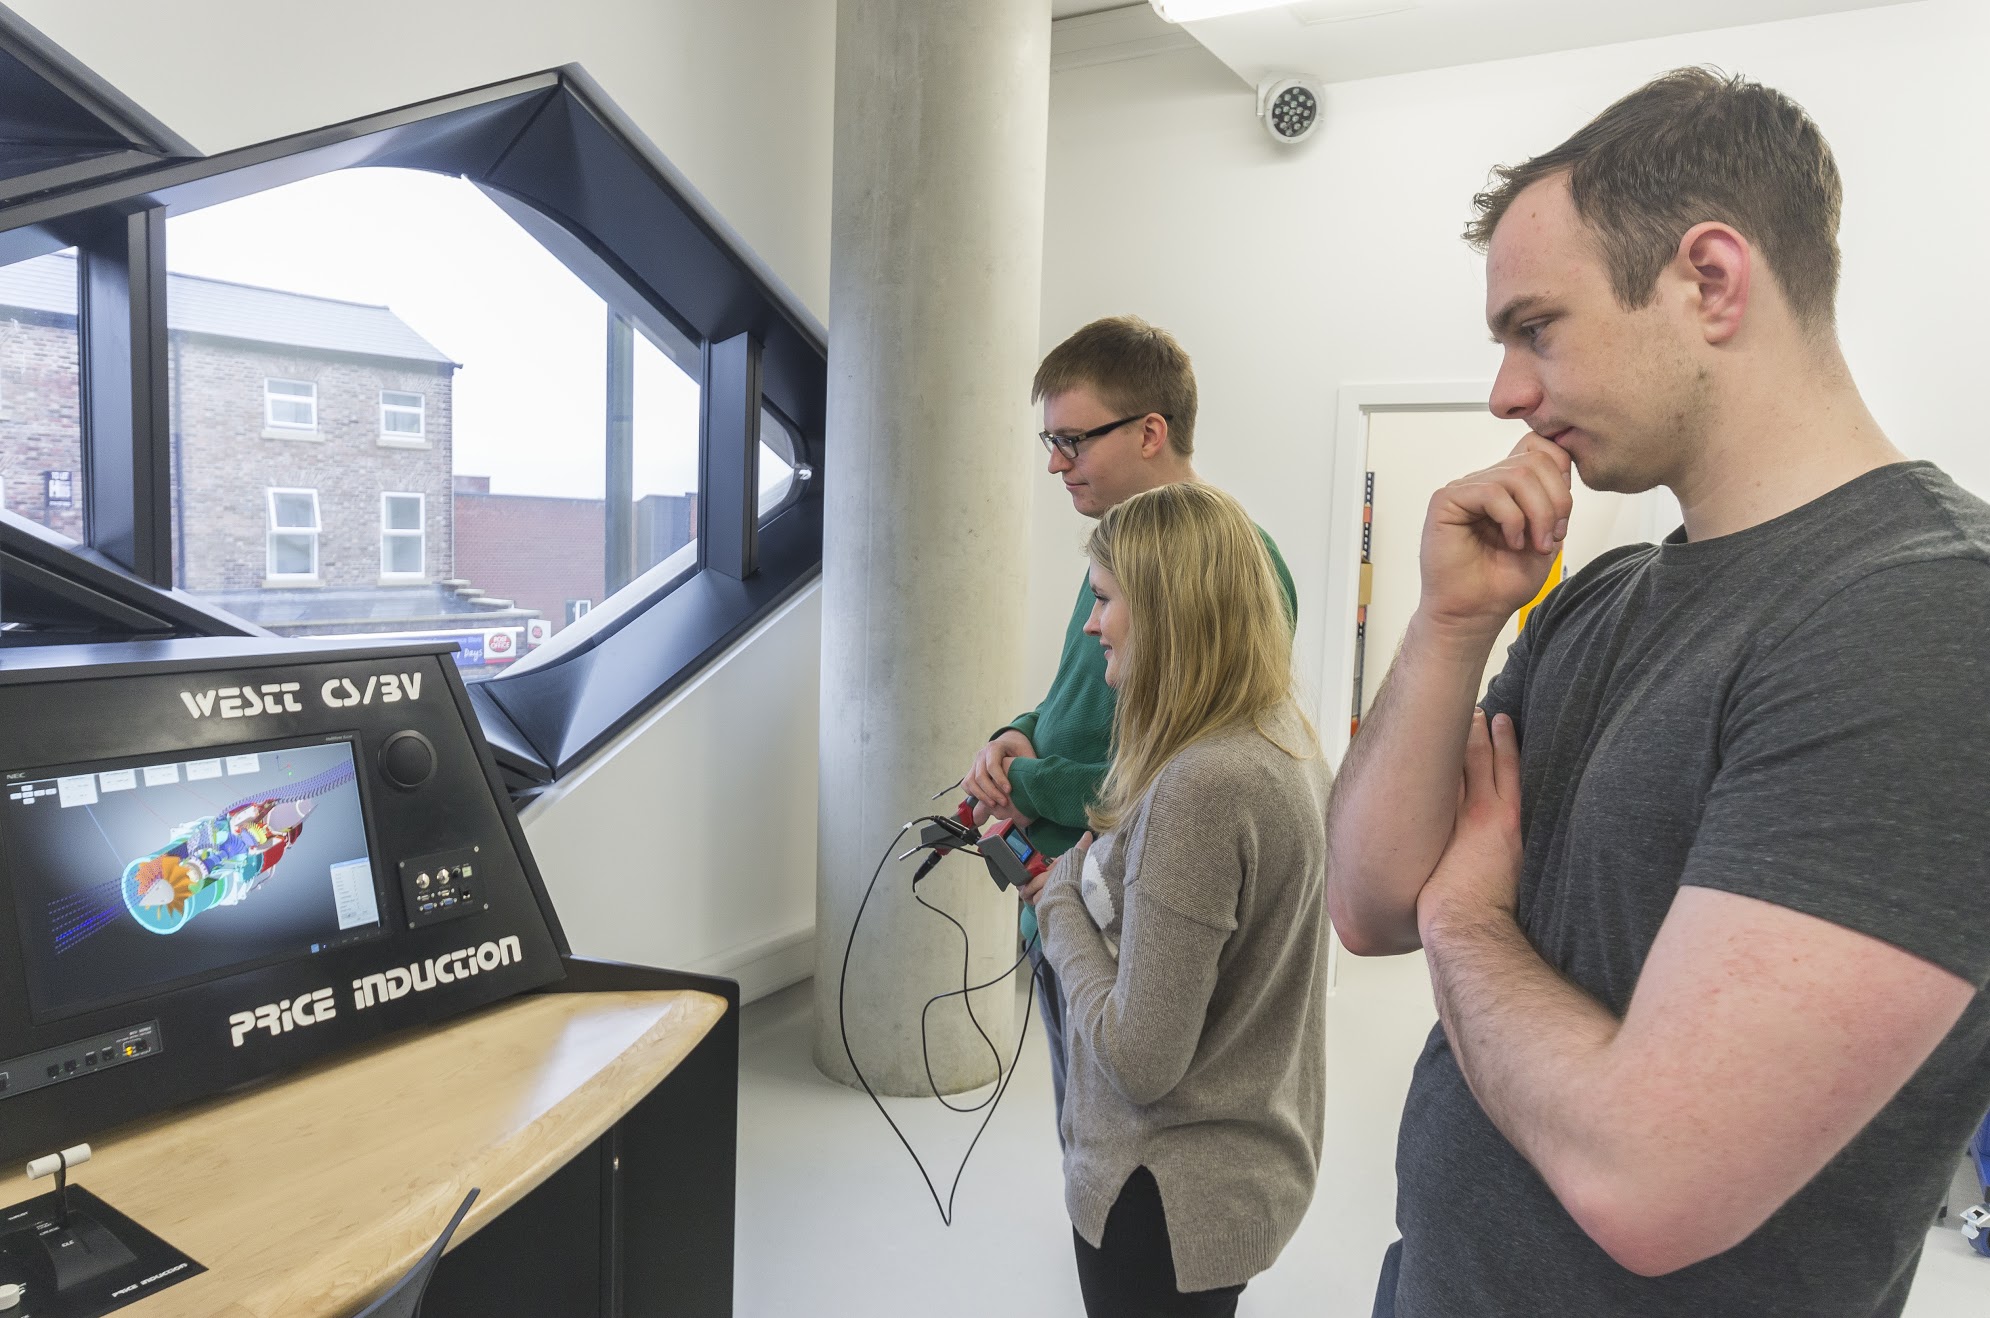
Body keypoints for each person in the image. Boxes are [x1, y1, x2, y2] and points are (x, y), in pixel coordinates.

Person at [1327, 67, 1990, 1317]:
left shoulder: (1929, 615)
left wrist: (1469, 920)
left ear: (1709, 280)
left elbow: (1646, 1182)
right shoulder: (1598, 594)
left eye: (1536, 328)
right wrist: (1453, 619)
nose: (1506, 394)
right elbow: (1365, 902)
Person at [959, 315, 1297, 1127]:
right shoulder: (1116, 549)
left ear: (1151, 431)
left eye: (1073, 439)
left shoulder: (1234, 567)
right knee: (1087, 1135)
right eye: (1050, 440)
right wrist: (1021, 733)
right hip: (1063, 898)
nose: (1055, 462)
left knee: (1126, 1123)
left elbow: (1189, 777)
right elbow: (1081, 703)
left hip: (1131, 923)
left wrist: (1026, 785)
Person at [1032, 481, 1328, 1317]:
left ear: (1165, 608)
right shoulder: (1279, 736)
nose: (1093, 624)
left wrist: (1057, 903)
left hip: (1162, 1192)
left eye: (1105, 600)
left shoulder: (1202, 785)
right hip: (1239, 1164)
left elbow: (1139, 1059)